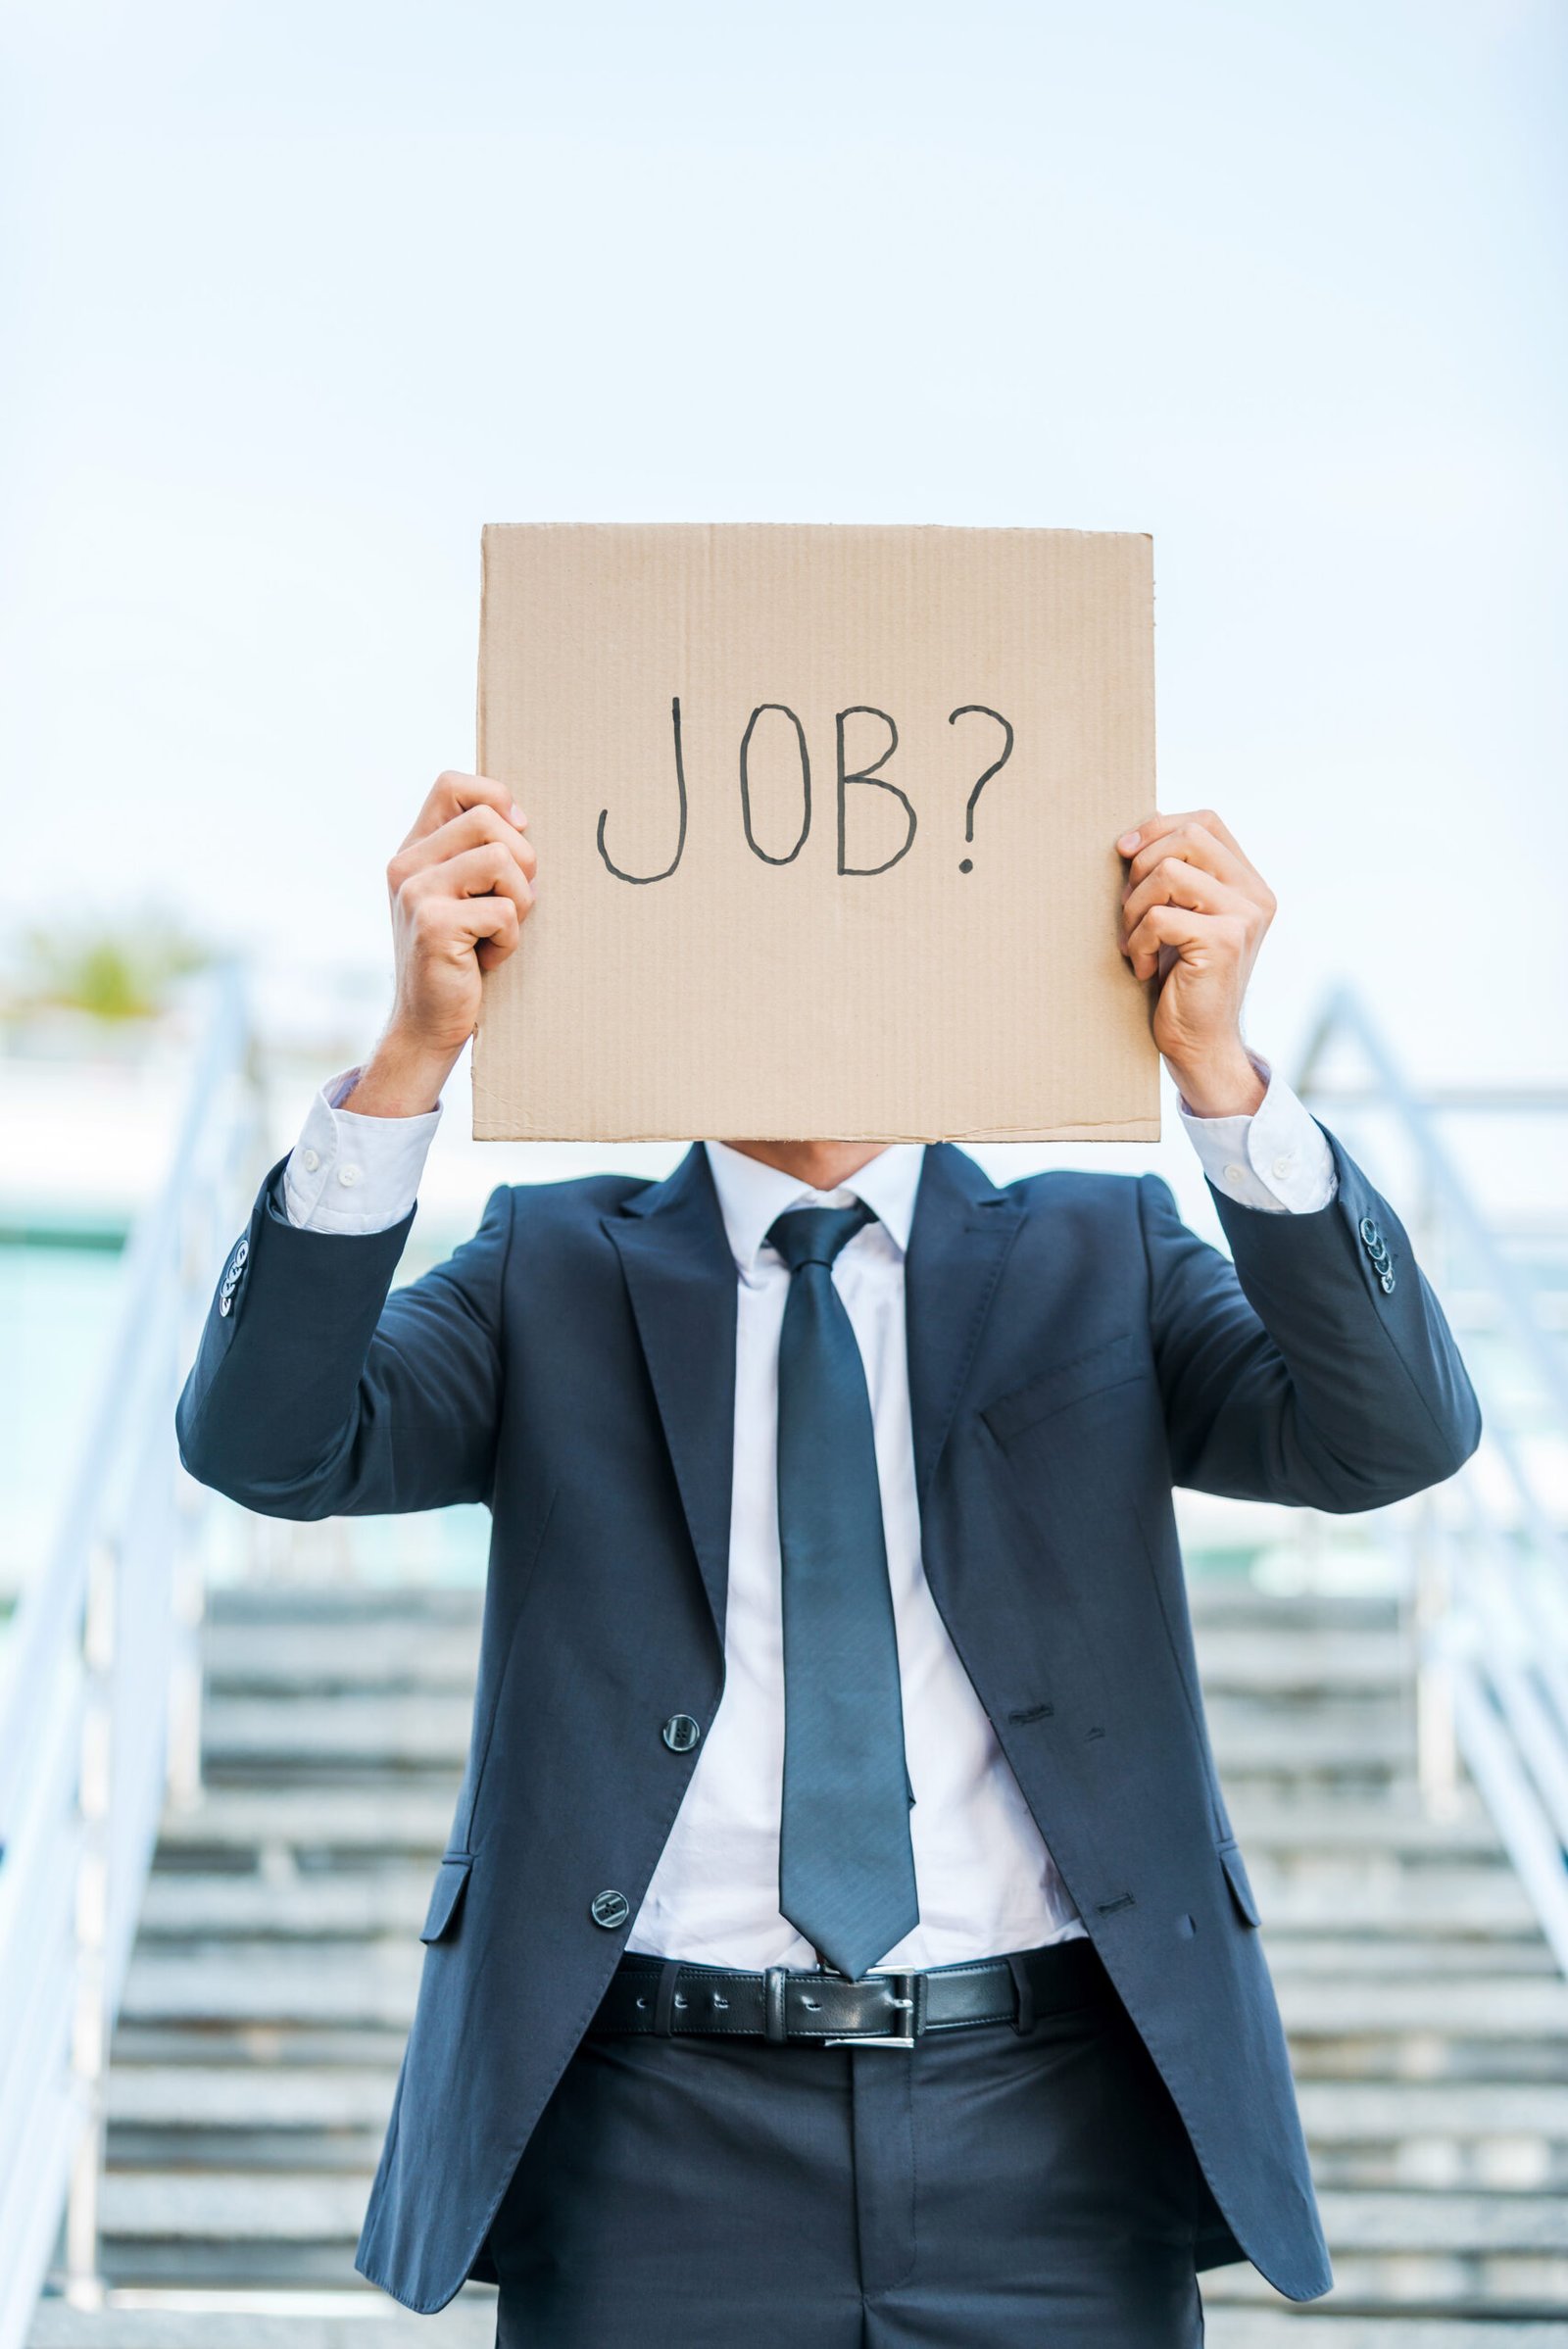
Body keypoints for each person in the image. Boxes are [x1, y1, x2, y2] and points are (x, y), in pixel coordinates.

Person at [177, 773, 1479, 2347]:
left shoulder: (1101, 1249)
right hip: (653, 2144)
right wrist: (409, 1064)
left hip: (1051, 2135)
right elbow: (267, 1440)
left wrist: (1222, 1079)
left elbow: (1391, 1433)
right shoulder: (553, 1264)